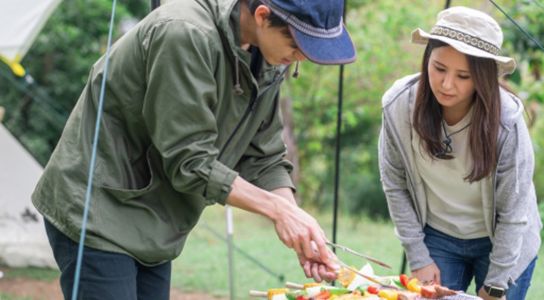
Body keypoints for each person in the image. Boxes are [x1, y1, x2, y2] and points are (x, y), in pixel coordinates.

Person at [31, 0, 355, 298]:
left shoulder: (266, 53)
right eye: (298, 44)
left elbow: (264, 155)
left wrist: (297, 223)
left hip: (155, 222)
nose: (302, 57)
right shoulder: (184, 33)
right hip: (98, 208)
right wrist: (277, 210)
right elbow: (190, 161)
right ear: (261, 15)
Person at [378, 6, 541, 300]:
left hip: (503, 243)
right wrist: (419, 257)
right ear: (427, 59)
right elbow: (395, 184)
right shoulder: (399, 105)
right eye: (439, 68)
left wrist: (495, 284)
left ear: (483, 77)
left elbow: (514, 213)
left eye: (463, 76)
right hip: (438, 235)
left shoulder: (506, 121)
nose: (446, 84)